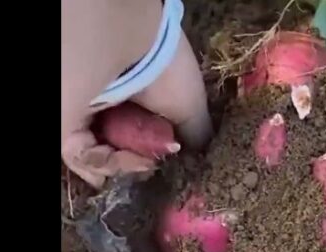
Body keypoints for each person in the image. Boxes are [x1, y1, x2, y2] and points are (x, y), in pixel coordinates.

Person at [62, 0, 213, 189]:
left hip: (152, 48)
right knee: (195, 120)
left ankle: (211, 158)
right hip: (151, 48)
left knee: (198, 125)